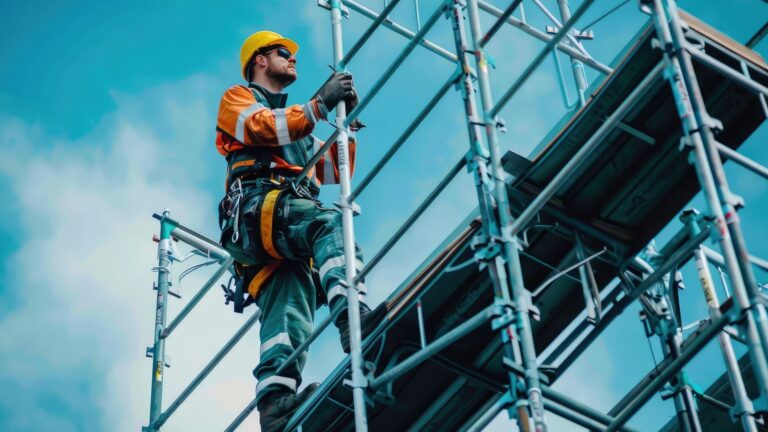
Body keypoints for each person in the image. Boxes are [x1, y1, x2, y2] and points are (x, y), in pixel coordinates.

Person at [215, 31, 387, 432]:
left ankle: (274, 405)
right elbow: (258, 127)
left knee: (289, 306)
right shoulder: (239, 98)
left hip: (281, 222)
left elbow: (334, 169)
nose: (292, 58)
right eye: (283, 52)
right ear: (259, 60)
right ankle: (353, 319)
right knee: (330, 224)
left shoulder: (297, 126)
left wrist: (346, 125)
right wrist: (319, 105)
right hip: (259, 207)